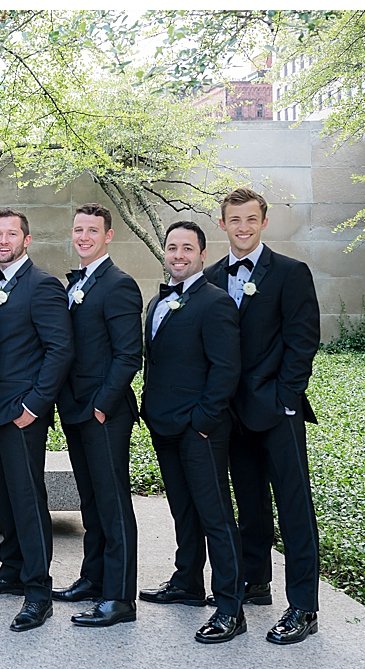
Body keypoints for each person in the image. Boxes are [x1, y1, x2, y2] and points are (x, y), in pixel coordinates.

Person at [205, 187, 323, 645]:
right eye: (235, 220)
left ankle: (303, 607)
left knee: (294, 508)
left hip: (276, 410)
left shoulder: (291, 273)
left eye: (251, 219)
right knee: (249, 504)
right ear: (223, 224)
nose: (243, 227)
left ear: (263, 222)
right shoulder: (212, 276)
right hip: (229, 414)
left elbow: (302, 340)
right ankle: (256, 581)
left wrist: (286, 398)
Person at [138, 221, 246, 644]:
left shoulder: (215, 302)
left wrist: (203, 421)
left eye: (187, 248)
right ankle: (187, 582)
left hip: (200, 429)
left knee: (215, 515)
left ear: (202, 254)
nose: (178, 255)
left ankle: (230, 607)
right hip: (164, 424)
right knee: (183, 509)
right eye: (172, 247)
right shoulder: (157, 302)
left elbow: (226, 369)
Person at [0, 209, 73, 632]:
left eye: (12, 233)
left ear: (26, 240)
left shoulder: (42, 286)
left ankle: (38, 591)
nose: (4, 240)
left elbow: (60, 350)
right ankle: (11, 570)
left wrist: (35, 405)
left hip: (21, 414)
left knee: (29, 502)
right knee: (5, 500)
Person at [55, 204, 144, 628]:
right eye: (78, 230)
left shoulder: (119, 285)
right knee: (90, 501)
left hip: (103, 413)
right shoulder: (77, 283)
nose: (84, 236)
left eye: (93, 230)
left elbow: (129, 355)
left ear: (109, 236)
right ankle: (92, 578)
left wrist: (101, 406)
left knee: (112, 503)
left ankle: (119, 596)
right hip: (75, 409)